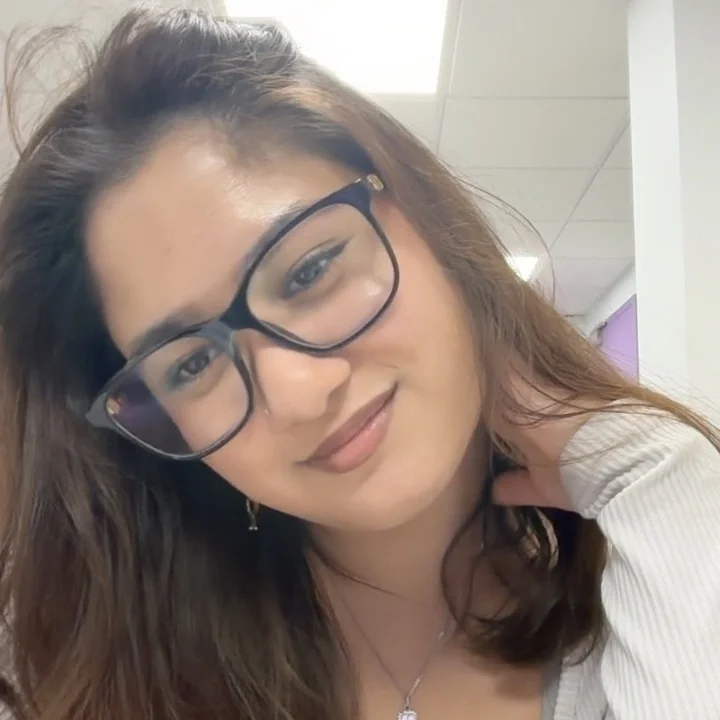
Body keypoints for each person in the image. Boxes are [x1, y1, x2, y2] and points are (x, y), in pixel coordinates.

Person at [0, 8, 718, 720]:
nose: (296, 394)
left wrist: (654, 471)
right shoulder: (96, 681)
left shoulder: (658, 592)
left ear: (431, 225)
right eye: (190, 366)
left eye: (310, 270)